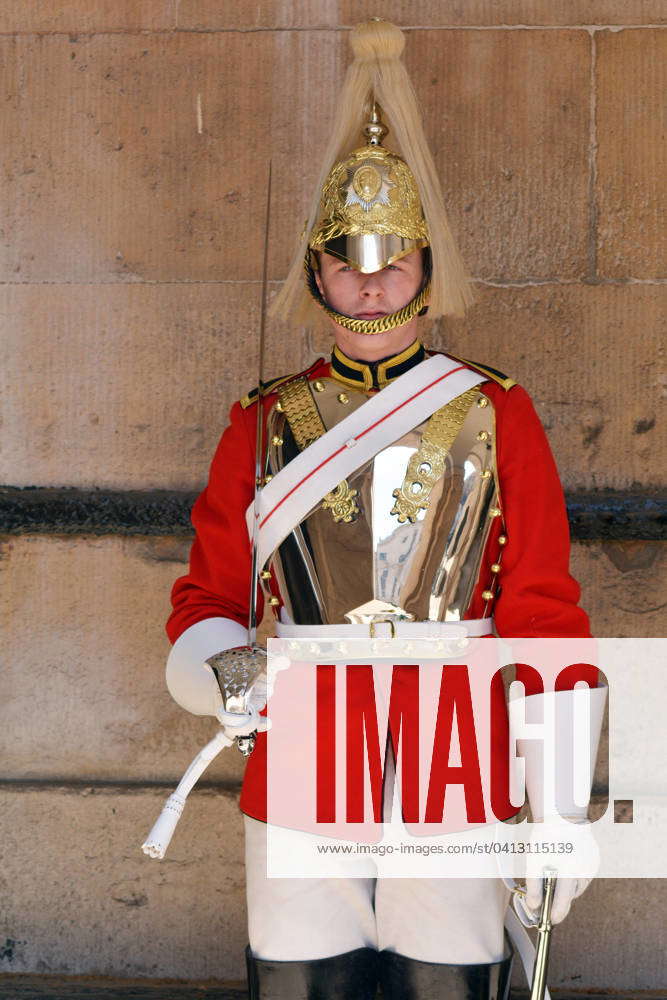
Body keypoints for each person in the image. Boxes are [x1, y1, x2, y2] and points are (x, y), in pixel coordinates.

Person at [164, 20, 601, 1000]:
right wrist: (246, 681)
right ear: (317, 270)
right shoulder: (263, 421)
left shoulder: (496, 413)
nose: (371, 280)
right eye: (349, 259)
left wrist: (557, 800)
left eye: (393, 259)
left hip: (458, 752)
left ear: (425, 269)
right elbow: (206, 600)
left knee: (445, 978)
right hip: (306, 745)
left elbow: (541, 609)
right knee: (297, 976)